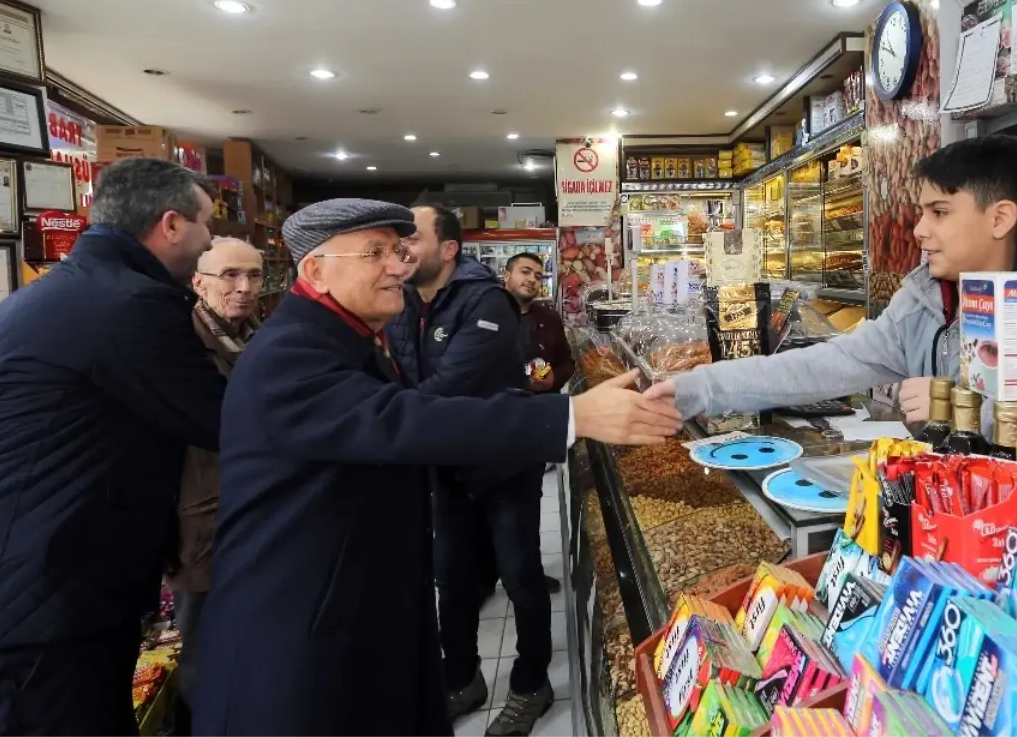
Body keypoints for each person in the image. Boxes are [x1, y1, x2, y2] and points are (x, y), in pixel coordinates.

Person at [194, 199, 680, 737]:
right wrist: (570, 414)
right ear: (315, 271)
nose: (398, 267)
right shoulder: (290, 353)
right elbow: (400, 418)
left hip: (357, 601)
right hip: (301, 630)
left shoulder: (356, 332)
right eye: (374, 253)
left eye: (399, 251)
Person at [646, 136, 1017, 432]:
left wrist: (963, 407)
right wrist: (698, 388)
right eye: (921, 213)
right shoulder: (922, 304)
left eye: (940, 213)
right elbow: (825, 366)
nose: (919, 231)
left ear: (1000, 218)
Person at [0, 158, 227, 737]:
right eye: (205, 226)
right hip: (54, 590)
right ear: (171, 225)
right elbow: (220, 419)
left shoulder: (57, 293)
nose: (210, 242)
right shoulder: (132, 305)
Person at [390, 206, 556, 734]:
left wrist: (385, 418)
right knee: (453, 580)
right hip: (445, 464)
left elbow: (447, 388)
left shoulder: (487, 300)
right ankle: (462, 679)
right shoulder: (403, 301)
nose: (403, 247)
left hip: (502, 463)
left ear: (449, 248)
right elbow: (395, 373)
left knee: (520, 577)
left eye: (413, 237)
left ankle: (532, 684)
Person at [165, 237, 264, 730]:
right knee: (202, 652)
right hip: (200, 524)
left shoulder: (256, 336)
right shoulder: (182, 343)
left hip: (251, 516)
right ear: (198, 281)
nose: (244, 288)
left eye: (254, 276)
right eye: (230, 275)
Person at [504, 251, 575, 394]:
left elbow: (567, 363)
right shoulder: (486, 315)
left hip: (542, 405)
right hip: (497, 408)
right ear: (507, 276)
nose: (532, 279)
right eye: (525, 272)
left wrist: (552, 380)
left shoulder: (550, 318)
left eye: (538, 276)